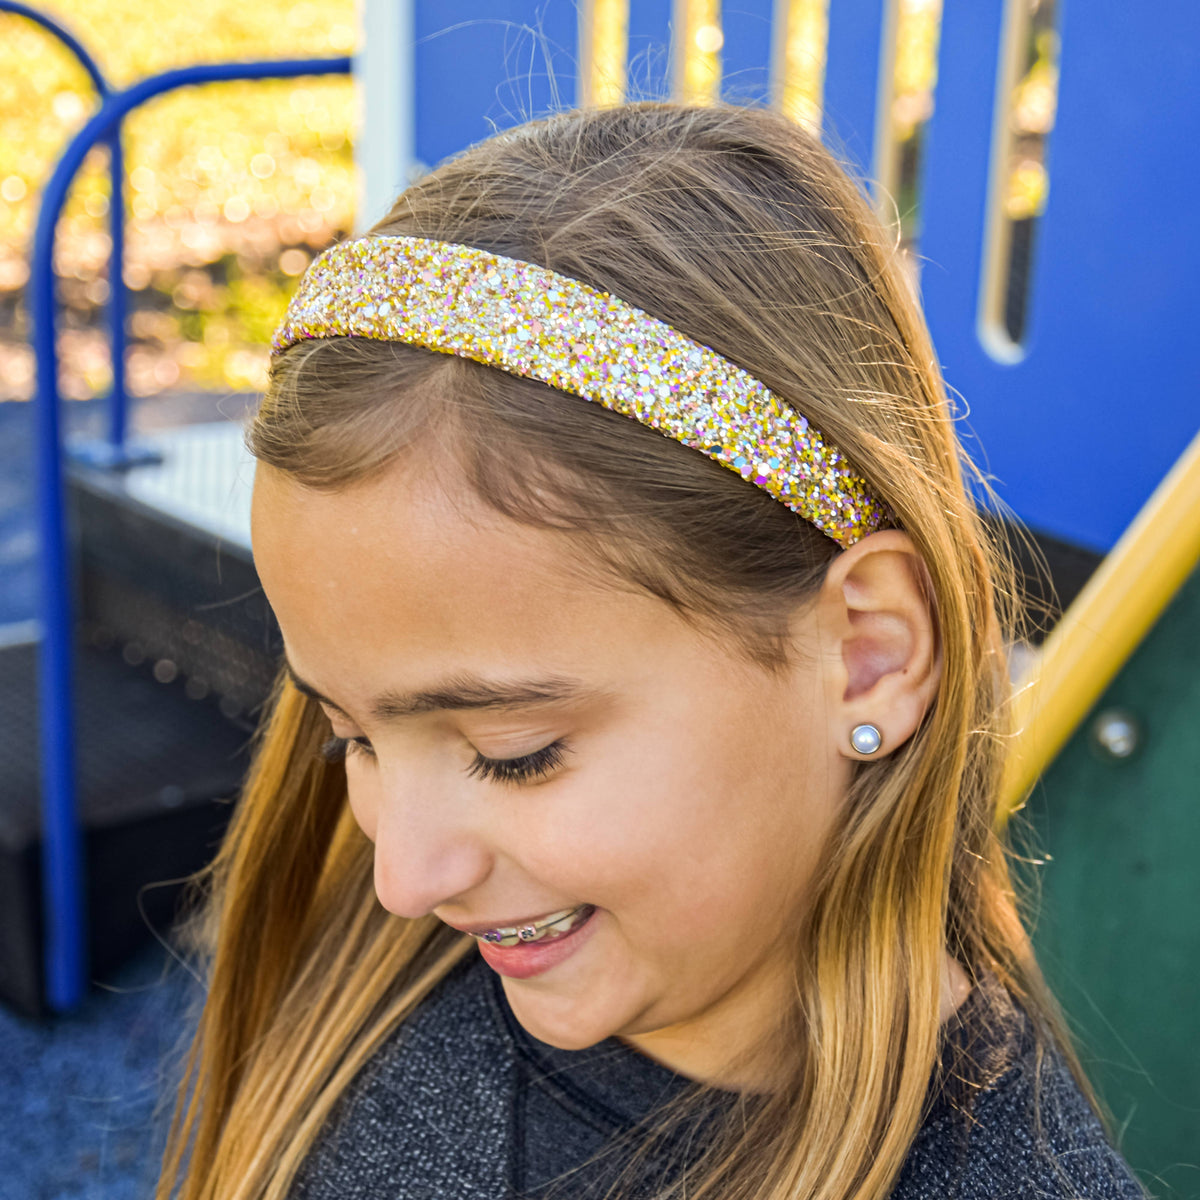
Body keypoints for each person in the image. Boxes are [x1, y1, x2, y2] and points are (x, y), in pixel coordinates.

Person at [157, 103, 1144, 1200]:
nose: (403, 881)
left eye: (517, 753)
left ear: (868, 655)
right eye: (350, 739)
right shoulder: (364, 996)